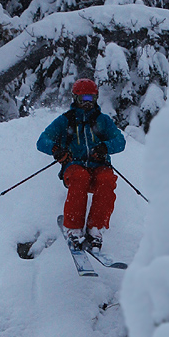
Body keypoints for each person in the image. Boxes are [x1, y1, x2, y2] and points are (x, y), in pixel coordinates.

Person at [36, 78, 126, 251]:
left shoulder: (103, 121)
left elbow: (120, 141)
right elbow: (42, 141)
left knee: (107, 179)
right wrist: (56, 150)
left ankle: (95, 229)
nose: (87, 103)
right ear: (75, 98)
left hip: (99, 165)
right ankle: (74, 228)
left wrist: (104, 147)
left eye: (90, 98)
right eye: (83, 99)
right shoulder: (66, 121)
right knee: (80, 177)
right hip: (74, 166)